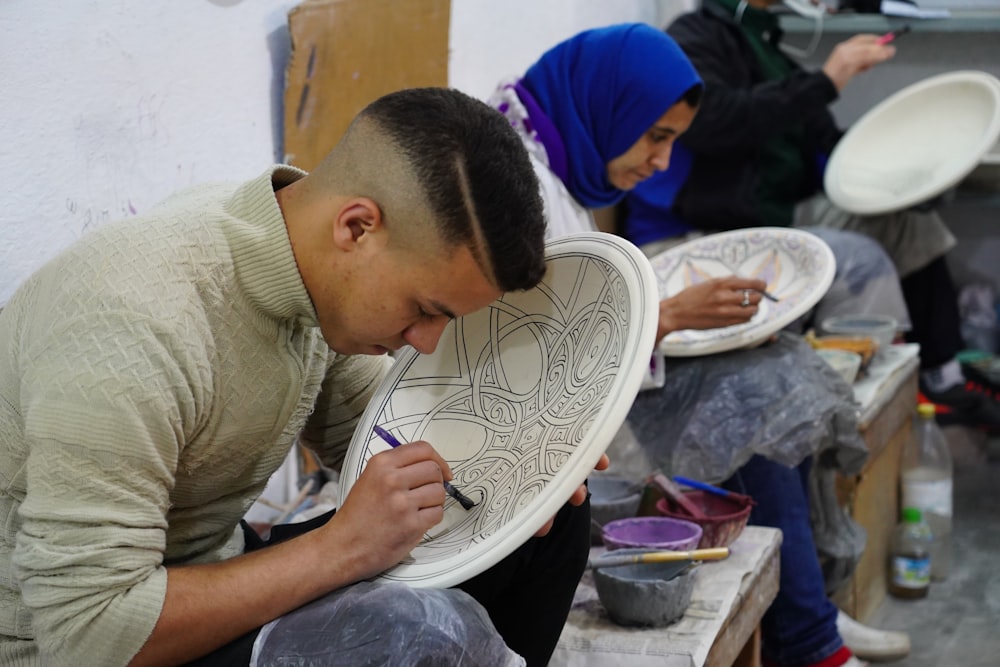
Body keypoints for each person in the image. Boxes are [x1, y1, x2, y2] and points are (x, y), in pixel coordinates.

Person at [0, 87, 602, 667]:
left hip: (203, 568)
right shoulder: (134, 325)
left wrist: (527, 467)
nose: (424, 342)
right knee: (409, 642)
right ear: (357, 228)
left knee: (545, 527)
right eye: (424, 310)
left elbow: (380, 439)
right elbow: (88, 634)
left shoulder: (306, 269)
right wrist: (339, 550)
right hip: (72, 637)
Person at [489, 22, 907, 667]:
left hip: (587, 393)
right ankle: (810, 635)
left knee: (781, 374)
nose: (661, 163)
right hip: (533, 434)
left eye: (672, 142)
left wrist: (665, 316)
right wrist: (665, 317)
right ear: (608, 105)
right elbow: (529, 361)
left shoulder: (551, 159)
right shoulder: (516, 187)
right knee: (749, 398)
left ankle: (812, 611)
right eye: (656, 137)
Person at [624, 0, 1000, 429]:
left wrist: (907, 182)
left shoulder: (771, 47)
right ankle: (865, 398)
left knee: (908, 221)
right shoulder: (694, 37)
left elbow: (828, 147)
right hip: (709, 223)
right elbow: (713, 122)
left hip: (779, 210)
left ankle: (940, 374)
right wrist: (825, 80)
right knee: (856, 253)